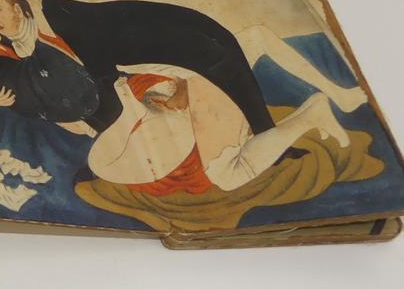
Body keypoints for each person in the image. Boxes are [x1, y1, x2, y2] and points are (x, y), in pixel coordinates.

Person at [0, 0, 282, 135]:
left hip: (163, 37)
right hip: (136, 44)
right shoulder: (15, 35)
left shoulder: (56, 20)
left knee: (223, 63)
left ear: (17, 7)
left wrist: (101, 127)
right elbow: (0, 70)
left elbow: (101, 76)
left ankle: (265, 129)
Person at [85, 65, 352, 195]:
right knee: (226, 174)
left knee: (226, 176)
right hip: (188, 103)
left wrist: (174, 96)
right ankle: (310, 113)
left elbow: (170, 87)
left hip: (195, 92)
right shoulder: (109, 155)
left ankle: (310, 116)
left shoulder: (136, 89)